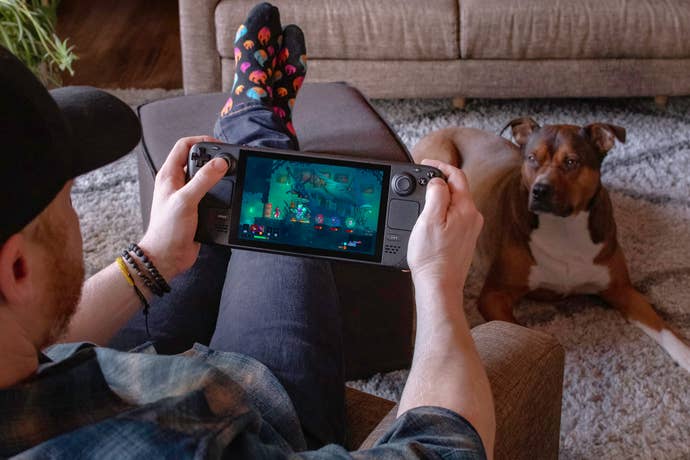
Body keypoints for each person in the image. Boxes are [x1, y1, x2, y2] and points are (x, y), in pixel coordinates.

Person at [0, 3, 494, 458]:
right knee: (280, 196)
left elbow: (37, 341)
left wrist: (149, 260)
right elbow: (444, 449)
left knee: (222, 201)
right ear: (17, 268)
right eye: (69, 199)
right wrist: (439, 282)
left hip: (129, 370)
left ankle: (255, 121)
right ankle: (258, 121)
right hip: (256, 417)